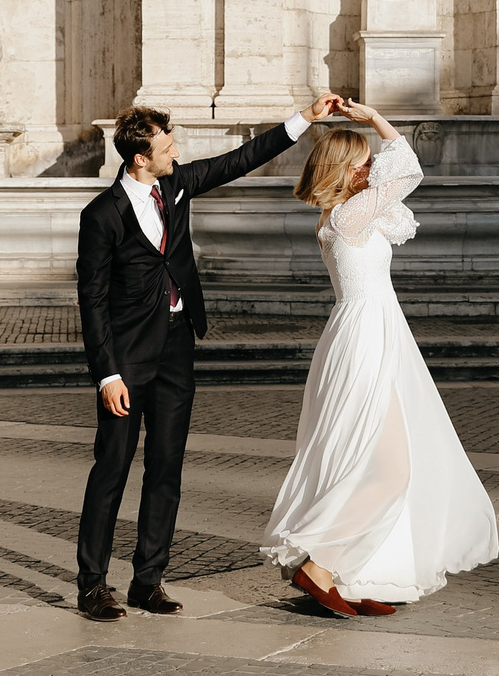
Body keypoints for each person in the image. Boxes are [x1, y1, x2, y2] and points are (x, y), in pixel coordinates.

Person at [74, 90, 342, 622]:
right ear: (138, 159)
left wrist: (303, 120)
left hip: (176, 348)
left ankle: (147, 581)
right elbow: (92, 300)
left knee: (166, 468)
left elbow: (237, 161)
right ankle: (92, 586)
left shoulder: (176, 185)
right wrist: (106, 374)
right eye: (167, 145)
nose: (177, 151)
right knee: (112, 471)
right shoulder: (101, 215)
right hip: (125, 359)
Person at [260, 98, 498, 616]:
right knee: (391, 467)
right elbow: (410, 168)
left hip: (364, 331)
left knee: (365, 459)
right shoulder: (349, 214)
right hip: (365, 338)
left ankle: (346, 573)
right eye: (365, 162)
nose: (374, 168)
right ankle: (320, 564)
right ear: (347, 168)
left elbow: (399, 174)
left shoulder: (342, 214)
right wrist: (374, 121)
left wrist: (370, 132)